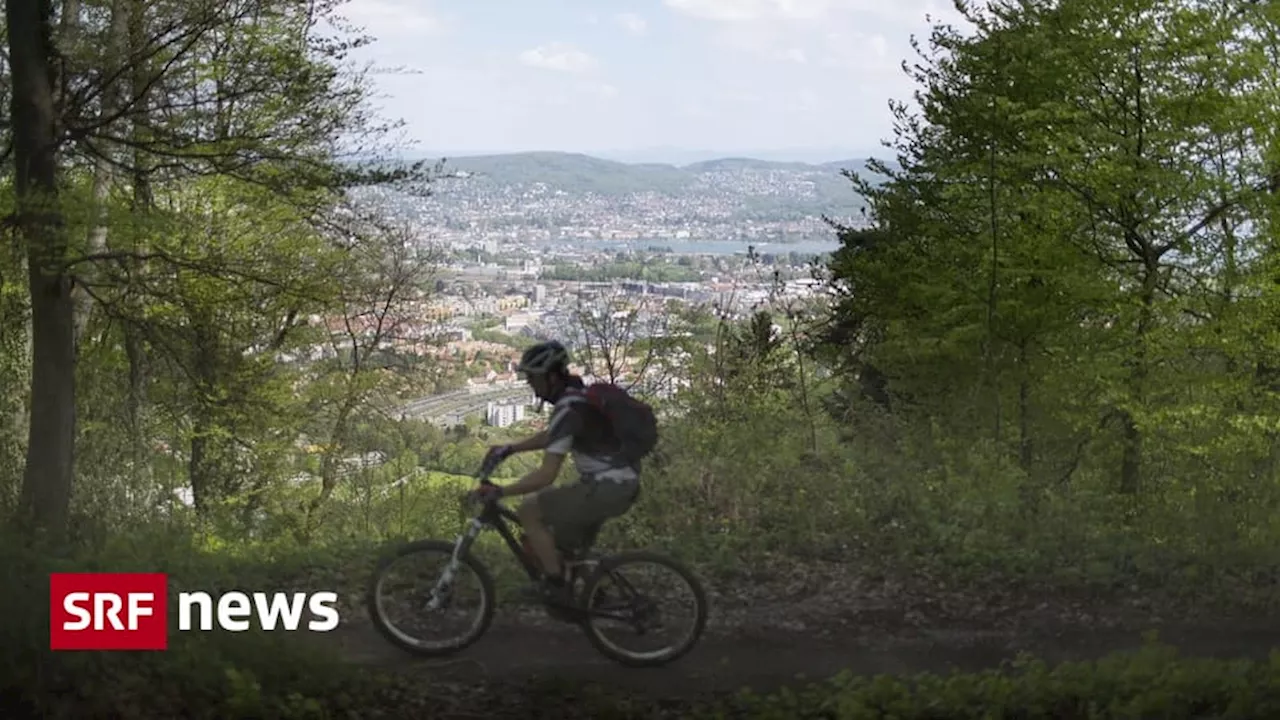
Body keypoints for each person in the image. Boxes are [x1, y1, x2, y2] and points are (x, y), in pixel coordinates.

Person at [470, 340, 641, 606]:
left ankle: (556, 586)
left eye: (533, 378)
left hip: (607, 486)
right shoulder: (576, 396)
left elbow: (546, 475)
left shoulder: (567, 409)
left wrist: (501, 491)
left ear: (550, 377)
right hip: (621, 483)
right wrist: (511, 448)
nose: (530, 384)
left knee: (529, 511)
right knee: (564, 546)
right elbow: (553, 436)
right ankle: (597, 597)